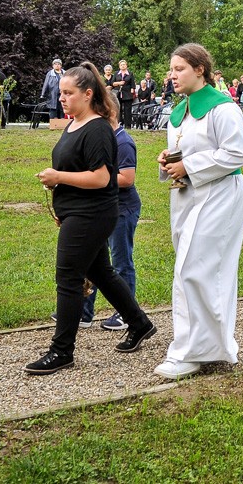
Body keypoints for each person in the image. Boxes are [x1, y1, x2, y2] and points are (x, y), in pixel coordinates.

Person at [28, 62, 157, 375]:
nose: (63, 98)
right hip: (78, 213)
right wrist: (64, 204)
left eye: (69, 93)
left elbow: (101, 178)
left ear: (87, 94)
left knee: (69, 278)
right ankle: (139, 323)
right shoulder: (74, 124)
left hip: (93, 213)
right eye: (61, 93)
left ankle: (62, 352)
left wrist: (58, 176)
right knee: (100, 273)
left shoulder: (98, 128)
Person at [153, 43, 243, 378]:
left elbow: (236, 154)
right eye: (171, 68)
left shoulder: (223, 109)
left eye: (179, 68)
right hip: (186, 197)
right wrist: (169, 162)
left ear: (200, 69)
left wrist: (190, 166)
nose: (172, 75)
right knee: (188, 268)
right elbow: (182, 151)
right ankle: (206, 345)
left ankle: (190, 351)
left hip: (219, 195)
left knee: (196, 268)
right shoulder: (179, 112)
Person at [78, 118, 142, 330]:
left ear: (110, 113)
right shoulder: (102, 139)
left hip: (123, 210)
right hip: (103, 207)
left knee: (121, 261)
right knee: (93, 261)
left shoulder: (123, 142)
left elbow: (127, 178)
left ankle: (126, 314)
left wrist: (98, 177)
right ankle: (84, 312)